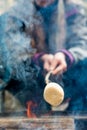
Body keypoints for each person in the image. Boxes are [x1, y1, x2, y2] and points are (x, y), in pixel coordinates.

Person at [0, 0, 87, 113]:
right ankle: (35, 107)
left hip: (68, 79)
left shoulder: (74, 10)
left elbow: (82, 43)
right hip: (31, 84)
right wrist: (37, 59)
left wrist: (66, 56)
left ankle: (76, 113)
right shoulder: (16, 13)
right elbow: (8, 49)